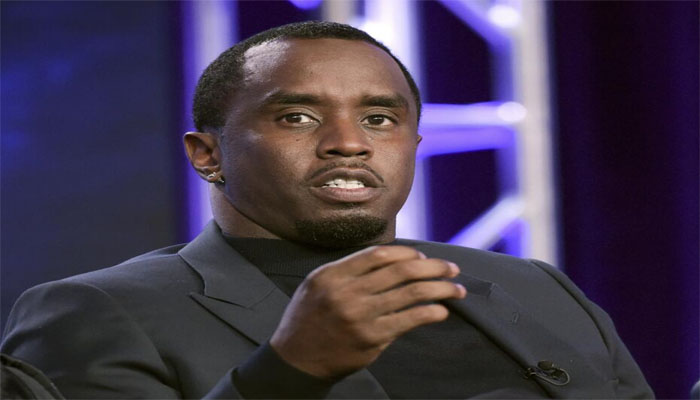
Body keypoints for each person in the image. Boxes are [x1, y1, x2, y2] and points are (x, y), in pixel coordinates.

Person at [1, 21, 654, 399]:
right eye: (297, 116)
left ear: (413, 145)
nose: (348, 142)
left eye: (379, 118)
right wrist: (288, 372)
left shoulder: (533, 287)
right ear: (207, 154)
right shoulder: (94, 311)